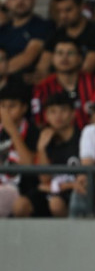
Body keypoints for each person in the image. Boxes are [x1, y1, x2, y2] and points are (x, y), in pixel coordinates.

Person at [11, 92, 81, 218]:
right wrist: (41, 149)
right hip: (49, 190)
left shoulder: (82, 138)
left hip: (73, 191)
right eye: (52, 112)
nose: (58, 116)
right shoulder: (45, 138)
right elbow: (44, 178)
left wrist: (57, 187)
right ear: (46, 116)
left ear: (73, 114)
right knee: (20, 205)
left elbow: (83, 180)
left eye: (63, 110)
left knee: (56, 205)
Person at [34, 0, 95, 82]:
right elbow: (42, 68)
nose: (63, 16)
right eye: (59, 11)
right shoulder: (56, 35)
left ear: (81, 7)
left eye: (68, 10)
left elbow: (86, 71)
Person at [31, 36, 95, 130]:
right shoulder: (42, 88)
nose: (64, 58)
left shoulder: (93, 82)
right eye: (60, 53)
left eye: (70, 53)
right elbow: (39, 122)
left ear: (80, 58)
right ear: (53, 58)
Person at [0, 83, 38, 217]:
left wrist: (12, 131)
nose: (6, 111)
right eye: (2, 106)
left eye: (12, 106)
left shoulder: (34, 131)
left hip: (22, 190)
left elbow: (29, 164)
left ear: (24, 108)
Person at [0, 0, 51, 77]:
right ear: (7, 3)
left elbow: (27, 58)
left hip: (22, 82)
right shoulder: (3, 29)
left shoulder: (42, 26)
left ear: (34, 0)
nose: (20, 1)